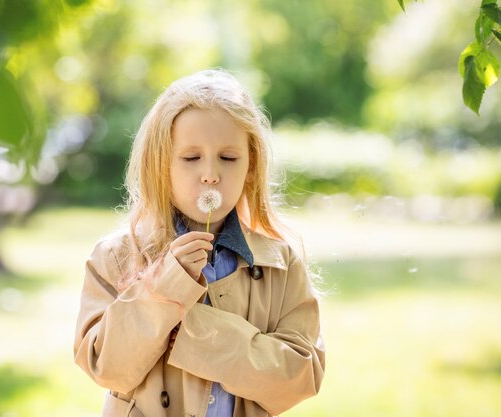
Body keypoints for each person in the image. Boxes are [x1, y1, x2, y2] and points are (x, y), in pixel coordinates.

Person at [73, 69, 325, 417]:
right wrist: (164, 287)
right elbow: (105, 366)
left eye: (228, 158)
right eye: (191, 158)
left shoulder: (279, 263)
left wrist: (205, 336)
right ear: (160, 166)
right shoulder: (116, 256)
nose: (210, 173)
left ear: (251, 167)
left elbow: (301, 377)